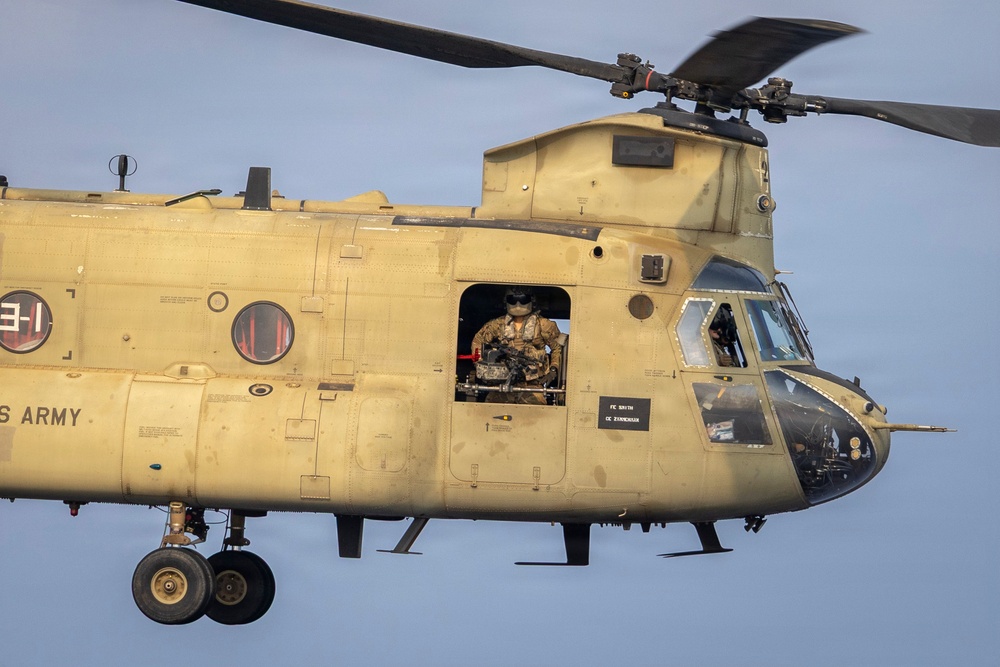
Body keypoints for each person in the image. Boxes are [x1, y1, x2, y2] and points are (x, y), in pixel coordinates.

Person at [471, 287, 564, 404]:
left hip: (532, 385)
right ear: (506, 301)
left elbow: (558, 348)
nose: (518, 304)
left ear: (531, 301)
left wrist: (553, 369)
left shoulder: (544, 325)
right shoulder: (497, 324)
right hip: (502, 384)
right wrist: (481, 364)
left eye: (523, 299)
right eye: (512, 300)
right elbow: (478, 341)